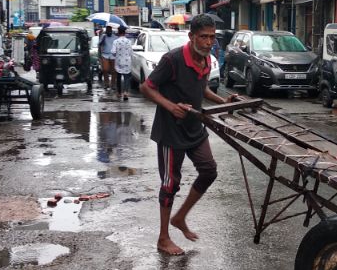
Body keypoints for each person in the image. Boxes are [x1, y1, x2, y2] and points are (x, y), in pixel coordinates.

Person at [141, 14, 239, 255]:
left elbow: (202, 88)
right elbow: (146, 87)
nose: (208, 42)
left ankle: (181, 217)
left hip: (195, 128)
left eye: (212, 37)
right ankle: (163, 238)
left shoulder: (206, 60)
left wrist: (223, 100)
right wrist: (171, 106)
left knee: (209, 170)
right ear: (192, 36)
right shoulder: (172, 59)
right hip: (170, 131)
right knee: (170, 183)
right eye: (203, 37)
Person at [111, 25, 134, 100]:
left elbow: (113, 52)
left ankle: (119, 93)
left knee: (118, 77)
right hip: (127, 61)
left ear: (118, 32)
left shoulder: (115, 41)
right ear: (125, 32)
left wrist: (116, 54)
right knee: (127, 78)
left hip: (119, 61)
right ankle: (126, 93)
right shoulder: (129, 41)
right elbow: (131, 52)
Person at [98, 25, 118, 90]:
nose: (108, 32)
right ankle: (106, 84)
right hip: (105, 55)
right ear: (105, 31)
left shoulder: (115, 37)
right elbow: (99, 44)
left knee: (114, 71)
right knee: (105, 70)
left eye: (109, 30)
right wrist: (102, 38)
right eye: (107, 31)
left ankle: (113, 84)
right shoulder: (103, 36)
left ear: (111, 30)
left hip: (113, 55)